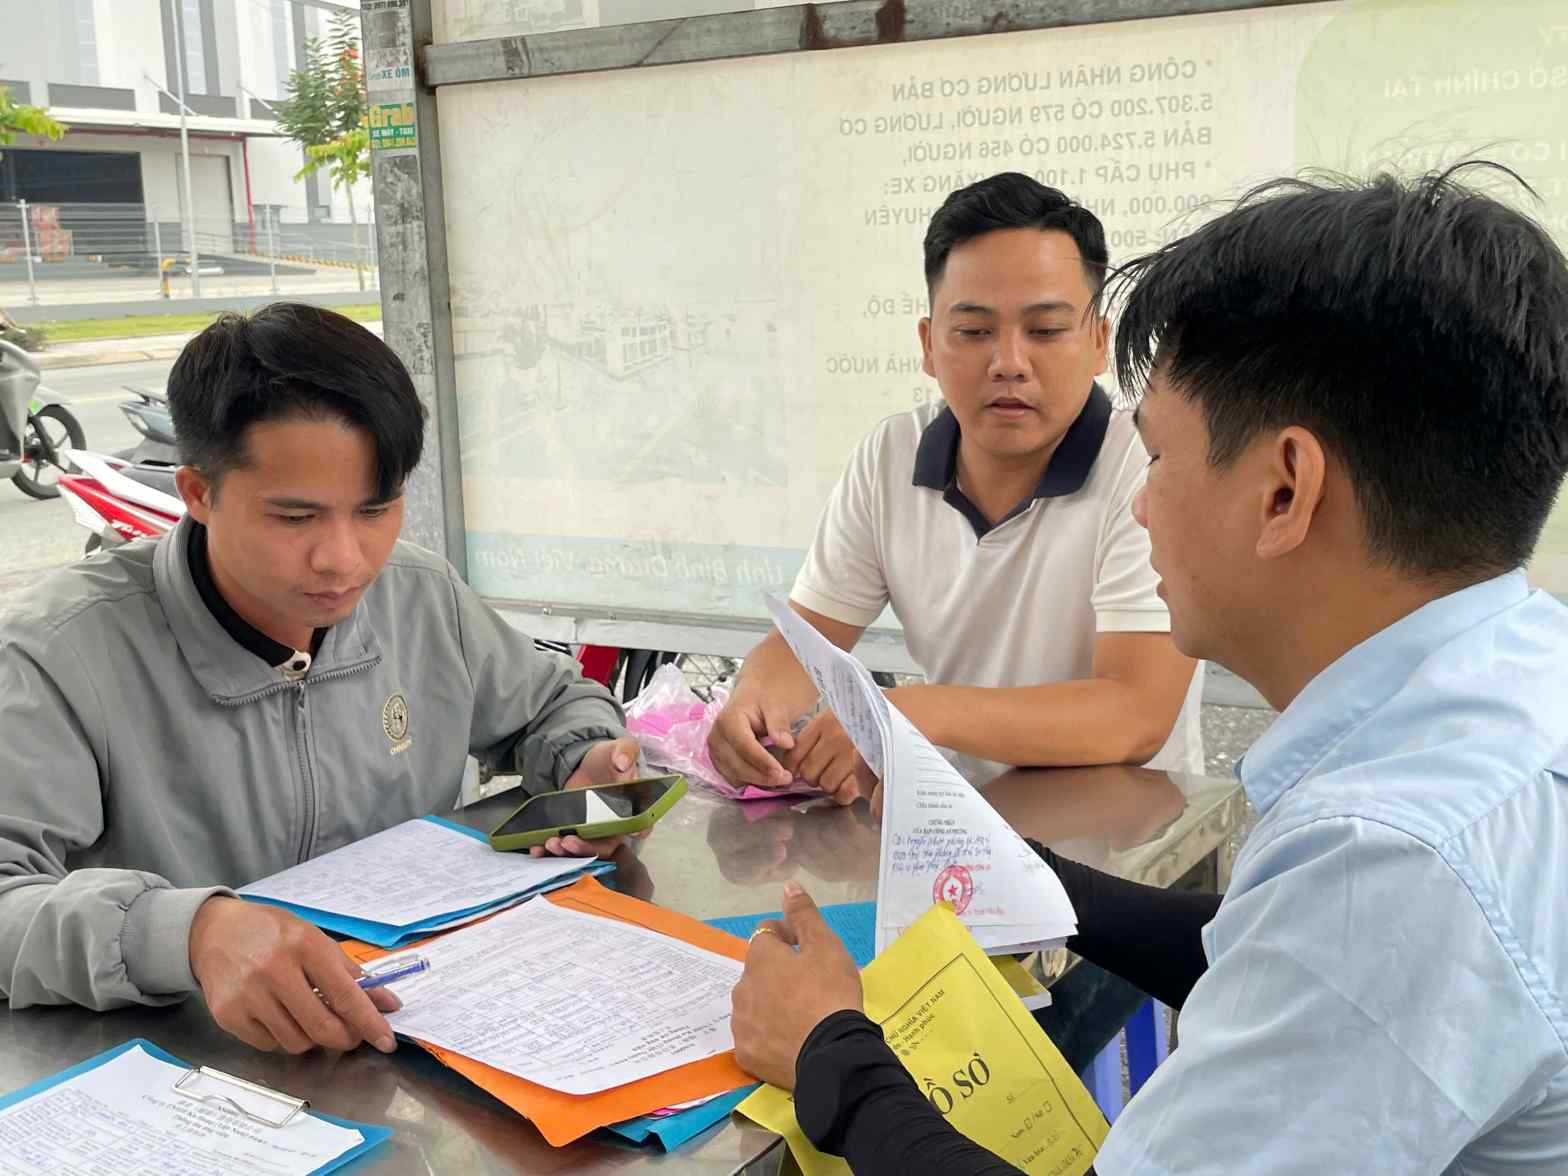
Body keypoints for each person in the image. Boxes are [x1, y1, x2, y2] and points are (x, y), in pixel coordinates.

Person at [730, 165, 1568, 1173]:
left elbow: (1327, 930)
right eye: (971, 328)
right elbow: (1263, 939)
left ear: (1282, 491)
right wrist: (1029, 875)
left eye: (1161, 459)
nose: (1139, 503)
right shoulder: (1514, 676)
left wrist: (830, 1053)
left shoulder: (1389, 863)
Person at [0, 304, 642, 1057]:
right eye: (296, 518)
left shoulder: (419, 598)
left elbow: (554, 703)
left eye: (376, 510)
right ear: (198, 492)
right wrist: (187, 932)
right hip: (184, 1078)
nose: (344, 560)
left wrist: (588, 763)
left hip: (421, 1032)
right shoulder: (62, 653)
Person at [708, 173, 1201, 802]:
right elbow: (804, 645)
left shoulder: (1147, 465)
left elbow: (1133, 715)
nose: (1009, 362)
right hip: (955, 823)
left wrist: (916, 712)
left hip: (1121, 839)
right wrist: (753, 706)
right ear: (928, 345)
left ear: (1100, 341)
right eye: (973, 331)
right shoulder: (890, 457)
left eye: (1046, 330)